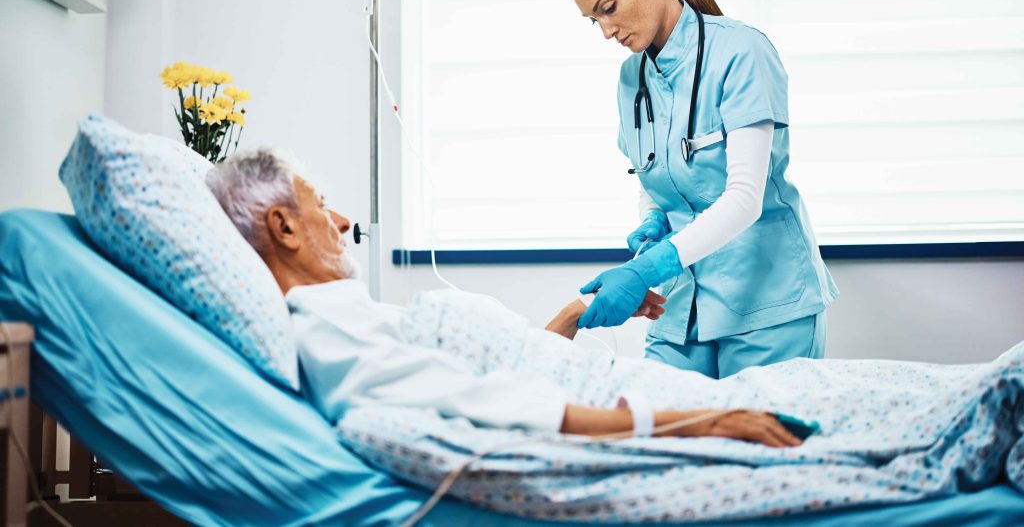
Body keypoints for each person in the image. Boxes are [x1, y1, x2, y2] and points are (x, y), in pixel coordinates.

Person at [205, 147, 803, 447]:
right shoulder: (330, 336)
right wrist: (704, 422)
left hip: (595, 375)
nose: (339, 219)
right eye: (318, 203)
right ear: (284, 228)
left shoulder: (348, 316)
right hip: (632, 405)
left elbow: (497, 373)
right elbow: (499, 404)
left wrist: (574, 315)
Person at [567, 0, 838, 379]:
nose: (606, 31)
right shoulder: (631, 80)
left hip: (766, 306)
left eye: (608, 9)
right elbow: (652, 178)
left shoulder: (741, 52)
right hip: (680, 310)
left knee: (756, 445)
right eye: (594, 20)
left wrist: (649, 268)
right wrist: (651, 222)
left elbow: (744, 198)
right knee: (662, 435)